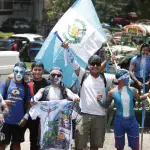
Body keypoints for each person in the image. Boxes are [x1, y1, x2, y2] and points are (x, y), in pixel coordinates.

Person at [61, 42, 116, 150]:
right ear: (89, 65)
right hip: (83, 115)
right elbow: (73, 62)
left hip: (100, 116)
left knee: (95, 146)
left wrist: (114, 63)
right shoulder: (83, 74)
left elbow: (122, 79)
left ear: (101, 66)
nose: (95, 66)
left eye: (97, 64)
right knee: (79, 145)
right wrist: (67, 49)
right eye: (92, 64)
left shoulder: (107, 78)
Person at [98, 69, 150, 150]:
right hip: (119, 121)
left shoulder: (132, 90)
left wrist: (147, 95)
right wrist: (99, 100)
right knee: (119, 147)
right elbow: (106, 105)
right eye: (127, 77)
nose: (129, 79)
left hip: (132, 121)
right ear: (121, 79)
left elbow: (139, 99)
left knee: (135, 146)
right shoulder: (112, 92)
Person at [9, 62, 49, 150]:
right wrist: (24, 72)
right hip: (23, 115)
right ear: (32, 70)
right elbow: (11, 75)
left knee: (35, 142)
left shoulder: (47, 84)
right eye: (35, 70)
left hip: (37, 117)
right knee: (16, 141)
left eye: (39, 70)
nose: (37, 72)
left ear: (43, 71)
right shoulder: (25, 80)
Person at [0, 62, 32, 150]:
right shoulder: (5, 83)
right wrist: (4, 102)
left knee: (17, 145)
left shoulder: (26, 87)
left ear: (24, 73)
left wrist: (25, 117)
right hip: (4, 121)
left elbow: (30, 104)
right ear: (13, 71)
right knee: (2, 144)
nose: (18, 74)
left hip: (19, 122)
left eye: (21, 72)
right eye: (16, 71)